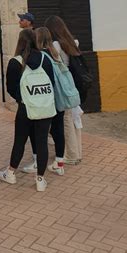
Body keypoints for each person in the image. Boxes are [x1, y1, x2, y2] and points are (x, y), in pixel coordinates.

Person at [0, 29, 56, 192]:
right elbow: (52, 82)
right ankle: (40, 179)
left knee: (20, 140)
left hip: (25, 108)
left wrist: (22, 99)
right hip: (44, 107)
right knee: (42, 141)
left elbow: (10, 87)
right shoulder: (46, 59)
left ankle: (10, 173)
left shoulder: (15, 61)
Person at [45, 15, 83, 165]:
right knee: (74, 118)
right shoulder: (72, 42)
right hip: (72, 82)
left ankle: (71, 154)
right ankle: (76, 151)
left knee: (66, 119)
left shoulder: (55, 45)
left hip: (61, 83)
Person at [34, 27, 66, 176]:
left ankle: (38, 163)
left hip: (47, 98)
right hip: (59, 97)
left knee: (42, 131)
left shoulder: (41, 56)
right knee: (58, 130)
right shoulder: (55, 53)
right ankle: (59, 162)